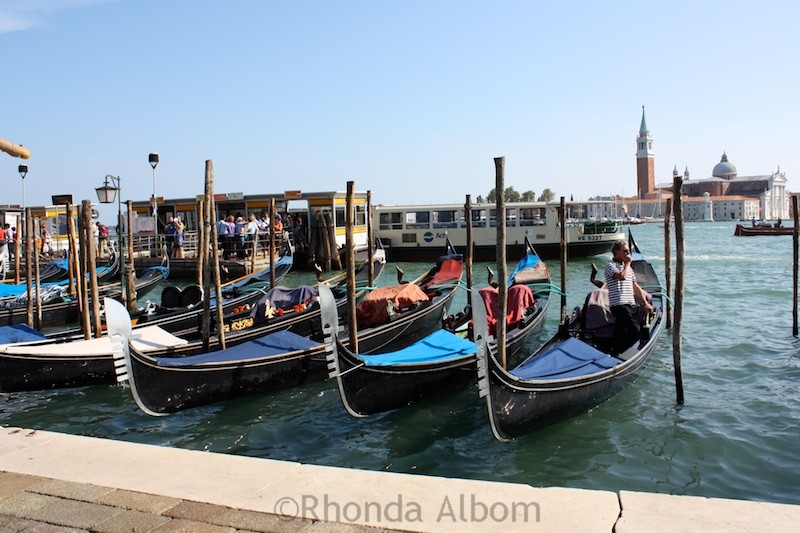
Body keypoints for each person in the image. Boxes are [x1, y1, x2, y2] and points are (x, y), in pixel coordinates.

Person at [604, 240, 654, 355]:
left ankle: (613, 351)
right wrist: (627, 264)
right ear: (616, 252)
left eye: (628, 251)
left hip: (628, 305)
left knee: (619, 332)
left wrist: (646, 303)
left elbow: (635, 288)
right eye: (625, 251)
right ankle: (616, 352)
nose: (628, 254)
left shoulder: (629, 269)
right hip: (618, 305)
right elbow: (621, 277)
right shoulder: (610, 266)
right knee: (635, 331)